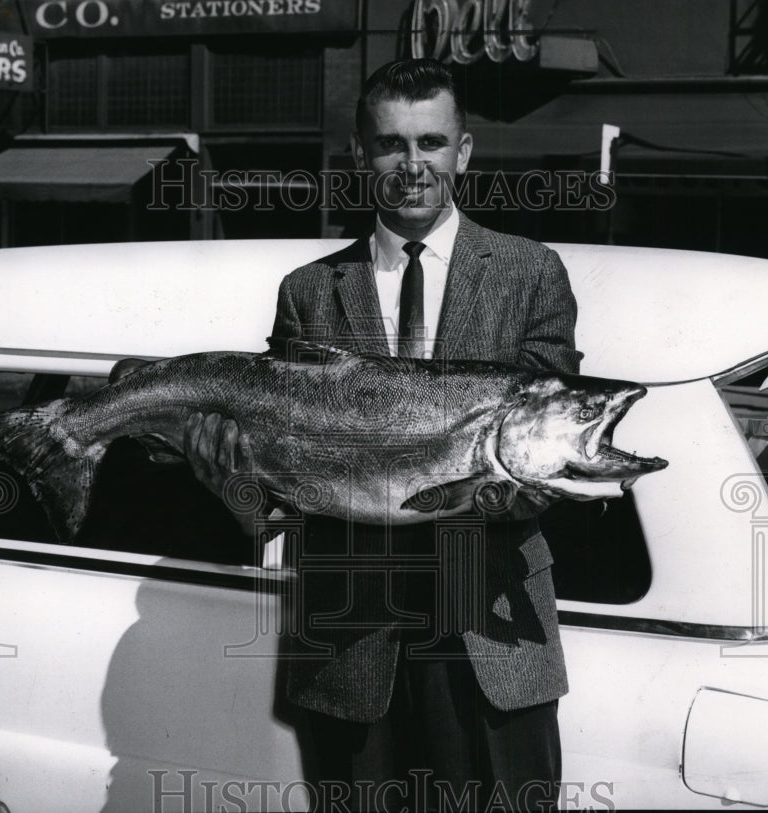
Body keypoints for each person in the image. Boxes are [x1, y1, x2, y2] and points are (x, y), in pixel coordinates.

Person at [185, 58, 582, 812]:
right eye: (391, 144)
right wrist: (231, 480)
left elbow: (541, 455)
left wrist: (508, 489)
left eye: (430, 141)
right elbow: (281, 501)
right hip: (352, 649)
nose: (412, 165)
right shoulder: (308, 294)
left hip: (492, 643)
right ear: (360, 154)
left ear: (462, 151)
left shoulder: (531, 274)